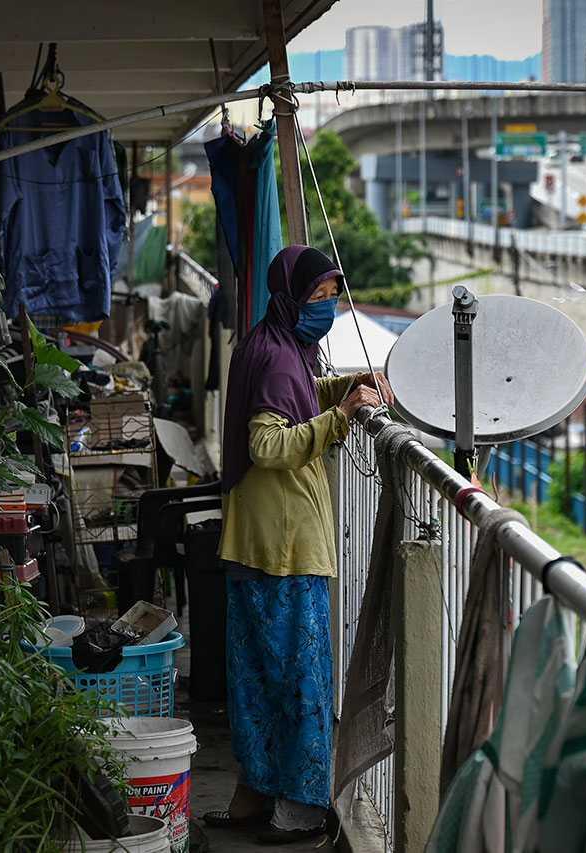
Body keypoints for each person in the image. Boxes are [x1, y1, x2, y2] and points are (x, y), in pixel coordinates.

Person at [205, 245, 391, 844]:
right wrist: (342, 418)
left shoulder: (271, 344)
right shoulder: (280, 360)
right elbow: (269, 445)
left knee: (256, 676)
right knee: (301, 679)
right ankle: (302, 809)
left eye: (334, 295)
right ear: (292, 298)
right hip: (285, 545)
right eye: (319, 296)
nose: (329, 307)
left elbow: (301, 394)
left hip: (252, 538)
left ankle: (254, 793)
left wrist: (346, 388)